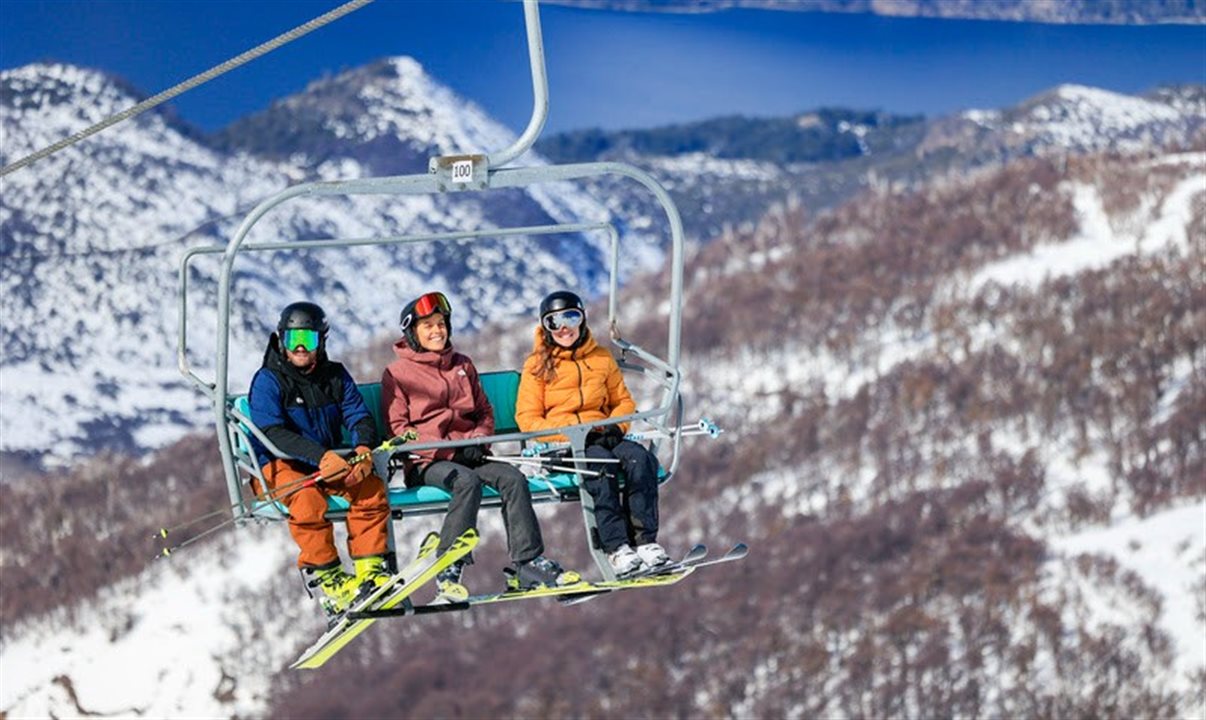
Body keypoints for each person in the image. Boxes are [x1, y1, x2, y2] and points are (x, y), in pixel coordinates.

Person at [380, 291, 578, 599]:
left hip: (471, 453)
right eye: (428, 326)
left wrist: (478, 440)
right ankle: (449, 565)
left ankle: (528, 562)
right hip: (427, 463)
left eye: (441, 323)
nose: (437, 331)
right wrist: (448, 449)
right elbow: (400, 429)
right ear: (413, 333)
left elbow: (485, 411)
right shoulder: (398, 374)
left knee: (513, 478)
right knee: (467, 483)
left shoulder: (463, 365)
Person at [247, 301, 392, 618]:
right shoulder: (269, 381)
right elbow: (271, 432)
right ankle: (329, 578)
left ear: (322, 341)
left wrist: (363, 448)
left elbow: (358, 415)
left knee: (368, 487)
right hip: (276, 466)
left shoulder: (335, 376)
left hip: (325, 463)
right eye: (292, 339)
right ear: (281, 340)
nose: (300, 347)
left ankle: (370, 571)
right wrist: (321, 456)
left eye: (308, 340)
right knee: (307, 499)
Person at [515, 290, 671, 578]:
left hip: (603, 434)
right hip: (565, 444)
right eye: (553, 322)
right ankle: (617, 548)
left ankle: (645, 542)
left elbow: (623, 401)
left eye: (571, 317)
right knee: (601, 467)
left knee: (641, 459)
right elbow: (527, 419)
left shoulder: (600, 358)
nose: (563, 328)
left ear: (582, 319)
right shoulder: (537, 365)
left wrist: (616, 426)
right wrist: (572, 435)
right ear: (544, 327)